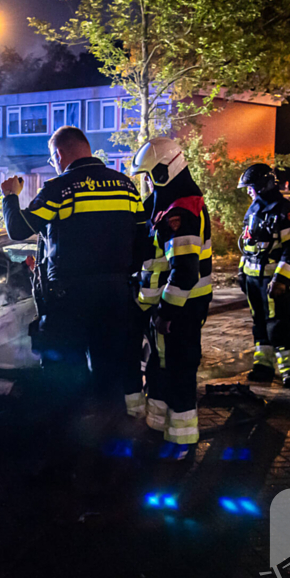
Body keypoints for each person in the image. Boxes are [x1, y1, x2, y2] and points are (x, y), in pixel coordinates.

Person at [1, 126, 146, 411]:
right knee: (110, 372)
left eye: (52, 158)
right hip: (116, 295)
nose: (53, 163)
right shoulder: (126, 187)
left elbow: (18, 229)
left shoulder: (59, 189)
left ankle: (71, 431)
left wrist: (10, 196)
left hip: (70, 299)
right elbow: (142, 241)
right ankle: (111, 429)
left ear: (59, 154)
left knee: (66, 374)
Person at [128, 138, 212, 460]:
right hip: (167, 309)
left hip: (180, 310)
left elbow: (185, 272)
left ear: (165, 170)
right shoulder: (168, 204)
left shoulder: (180, 212)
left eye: (150, 176)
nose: (149, 183)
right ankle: (160, 429)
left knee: (178, 372)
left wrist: (166, 311)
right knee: (160, 369)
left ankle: (181, 442)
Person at [236, 163, 290, 389]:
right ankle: (263, 366)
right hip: (252, 278)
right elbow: (248, 244)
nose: (248, 192)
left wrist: (282, 279)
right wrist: (241, 271)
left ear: (262, 185)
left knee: (278, 324)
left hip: (272, 279)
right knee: (259, 323)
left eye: (250, 187)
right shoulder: (254, 209)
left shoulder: (285, 211)